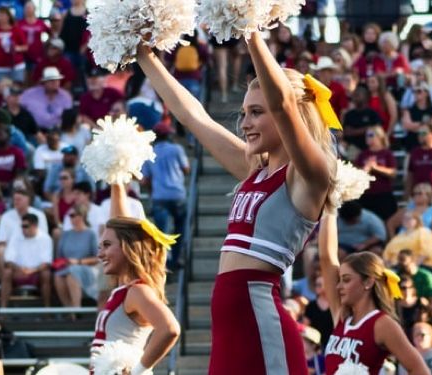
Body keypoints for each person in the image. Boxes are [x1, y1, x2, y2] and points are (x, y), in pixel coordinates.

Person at [137, 29, 338, 373]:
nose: (245, 124)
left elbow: (284, 103)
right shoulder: (253, 170)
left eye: (256, 112)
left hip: (262, 324)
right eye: (244, 113)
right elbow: (193, 117)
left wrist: (250, 31)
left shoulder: (310, 174)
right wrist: (143, 55)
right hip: (230, 327)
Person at [318, 213, 430, 374]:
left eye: (347, 280)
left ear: (368, 282)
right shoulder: (342, 316)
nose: (338, 286)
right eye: (340, 279)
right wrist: (330, 209)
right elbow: (326, 258)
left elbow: (419, 370)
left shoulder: (382, 324)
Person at [92, 184, 180, 374]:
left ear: (128, 247)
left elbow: (170, 329)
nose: (100, 254)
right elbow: (117, 220)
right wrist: (116, 181)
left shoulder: (138, 291)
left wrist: (138, 371)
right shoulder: (124, 289)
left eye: (106, 245)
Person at [141, 121, 189, 269]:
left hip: (159, 197)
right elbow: (186, 169)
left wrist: (151, 192)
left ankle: (162, 263)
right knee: (180, 228)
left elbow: (144, 180)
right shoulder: (177, 149)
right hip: (177, 194)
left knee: (161, 233)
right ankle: (176, 259)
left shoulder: (149, 153)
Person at [0, 182, 48, 280]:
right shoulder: (6, 216)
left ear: (28, 200)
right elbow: (1, 242)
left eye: (19, 199)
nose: (16, 202)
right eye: (14, 199)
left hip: (33, 249)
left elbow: (43, 239)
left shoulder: (39, 215)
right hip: (13, 252)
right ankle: (4, 280)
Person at [0, 213, 53, 308]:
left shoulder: (45, 239)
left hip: (36, 273)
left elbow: (47, 263)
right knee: (7, 272)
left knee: (46, 274)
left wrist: (32, 271)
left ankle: (47, 309)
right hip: (18, 272)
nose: (23, 229)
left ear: (35, 226)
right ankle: (3, 309)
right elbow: (8, 260)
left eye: (25, 226)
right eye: (22, 226)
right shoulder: (15, 237)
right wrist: (20, 269)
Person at [54, 204, 98, 313]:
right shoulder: (66, 234)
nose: (71, 218)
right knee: (58, 277)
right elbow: (59, 255)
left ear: (82, 216)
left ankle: (76, 308)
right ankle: (69, 310)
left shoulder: (91, 234)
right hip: (67, 267)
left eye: (73, 215)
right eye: (70, 216)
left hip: (86, 267)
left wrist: (78, 261)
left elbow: (97, 258)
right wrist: (64, 262)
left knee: (72, 273)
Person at [355, 125, 397, 220]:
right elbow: (357, 173)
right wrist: (366, 169)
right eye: (366, 135)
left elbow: (393, 173)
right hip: (366, 195)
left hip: (383, 195)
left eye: (370, 135)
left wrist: (376, 168)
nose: (367, 137)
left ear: (380, 136)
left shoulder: (387, 153)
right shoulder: (363, 154)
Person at [383, 211, 432, 276]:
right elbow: (386, 254)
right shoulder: (398, 236)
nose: (405, 220)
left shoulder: (424, 232)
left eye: (409, 218)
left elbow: (425, 253)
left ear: (417, 220)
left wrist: (411, 267)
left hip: (422, 267)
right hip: (397, 268)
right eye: (404, 218)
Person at [0, 6, 27, 84]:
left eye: (2, 15)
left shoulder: (17, 30)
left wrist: (16, 48)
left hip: (16, 67)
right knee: (0, 92)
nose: (0, 17)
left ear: (8, 16)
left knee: (15, 92)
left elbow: (25, 47)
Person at [342, 86, 382, 155]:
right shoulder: (349, 114)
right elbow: (347, 132)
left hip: (370, 148)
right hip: (353, 148)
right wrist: (365, 129)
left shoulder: (372, 114)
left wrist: (355, 131)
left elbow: (376, 131)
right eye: (354, 95)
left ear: (366, 97)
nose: (355, 97)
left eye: (358, 95)